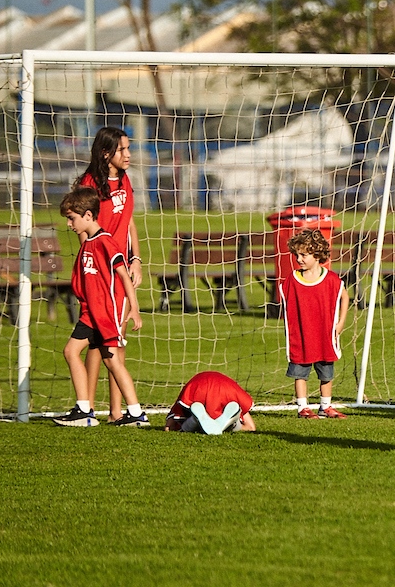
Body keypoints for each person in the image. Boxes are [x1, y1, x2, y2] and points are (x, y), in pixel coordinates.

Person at [53, 187, 148, 427]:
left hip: (104, 314)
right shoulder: (89, 244)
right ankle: (117, 412)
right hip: (91, 313)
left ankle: (97, 410)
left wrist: (133, 309)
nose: (69, 223)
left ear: (87, 215)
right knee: (101, 358)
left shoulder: (105, 242)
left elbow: (124, 276)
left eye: (71, 218)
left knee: (92, 356)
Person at [75, 126, 142, 423]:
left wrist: (136, 259)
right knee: (96, 339)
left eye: (128, 149)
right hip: (101, 272)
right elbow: (85, 234)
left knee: (116, 339)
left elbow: (129, 223)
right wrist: (95, 271)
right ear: (106, 153)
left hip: (121, 269)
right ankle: (86, 406)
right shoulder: (89, 184)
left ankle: (117, 412)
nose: (128, 155)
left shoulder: (125, 180)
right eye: (122, 150)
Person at [280, 228, 349, 419]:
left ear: (317, 254)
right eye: (296, 255)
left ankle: (325, 407)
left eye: (303, 254)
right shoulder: (292, 280)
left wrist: (341, 322)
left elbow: (344, 297)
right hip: (302, 336)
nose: (299, 259)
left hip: (324, 335)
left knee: (326, 374)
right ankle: (303, 407)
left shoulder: (332, 280)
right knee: (300, 372)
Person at [165, 370, 257, 434]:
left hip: (197, 385)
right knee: (239, 422)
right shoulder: (230, 385)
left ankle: (194, 420)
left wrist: (169, 425)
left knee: (181, 426)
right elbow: (251, 427)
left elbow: (169, 427)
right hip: (227, 387)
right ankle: (228, 423)